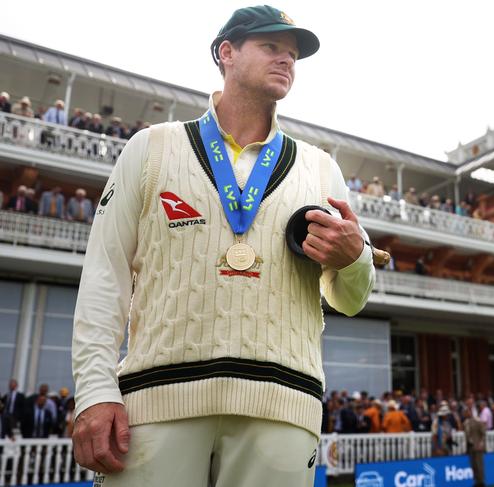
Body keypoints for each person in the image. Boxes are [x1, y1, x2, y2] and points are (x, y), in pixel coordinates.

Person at [71, 6, 374, 487]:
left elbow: (351, 298)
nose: (287, 61)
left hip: (283, 405)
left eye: (293, 55)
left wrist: (355, 257)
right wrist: (93, 392)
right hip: (157, 400)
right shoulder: (151, 147)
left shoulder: (321, 169)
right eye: (272, 47)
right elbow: (104, 278)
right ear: (225, 53)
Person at [463, 407, 486, 487]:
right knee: (473, 465)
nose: (466, 413)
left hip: (478, 446)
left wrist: (481, 444)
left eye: (467, 412)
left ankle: (481, 482)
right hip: (470, 447)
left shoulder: (477, 421)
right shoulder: (465, 423)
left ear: (471, 412)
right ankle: (476, 481)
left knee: (479, 465)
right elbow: (467, 436)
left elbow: (483, 433)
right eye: (465, 412)